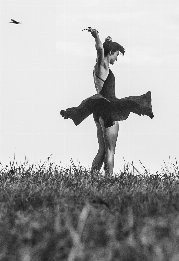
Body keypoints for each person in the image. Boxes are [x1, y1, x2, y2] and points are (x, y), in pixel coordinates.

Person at [60, 28, 153, 176]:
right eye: (116, 55)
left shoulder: (101, 68)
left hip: (98, 110)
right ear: (110, 53)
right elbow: (99, 50)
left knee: (102, 150)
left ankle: (92, 178)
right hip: (109, 109)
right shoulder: (102, 66)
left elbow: (102, 50)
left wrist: (107, 42)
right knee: (110, 150)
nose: (116, 59)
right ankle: (108, 180)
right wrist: (96, 36)